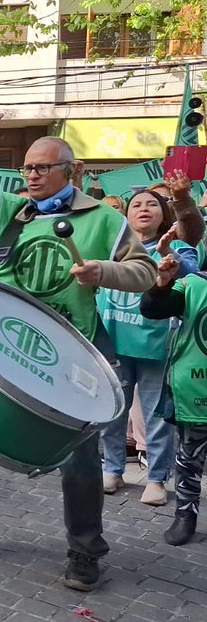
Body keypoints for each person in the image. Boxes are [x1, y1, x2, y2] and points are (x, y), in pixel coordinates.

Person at [0, 111, 157, 591]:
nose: (31, 175)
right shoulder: (9, 209)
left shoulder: (104, 219)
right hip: (5, 343)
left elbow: (145, 272)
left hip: (69, 351)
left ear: (71, 170)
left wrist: (102, 273)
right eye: (27, 167)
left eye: (41, 168)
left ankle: (86, 549)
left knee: (80, 454)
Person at [99, 191, 196, 505]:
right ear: (125, 215)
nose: (144, 209)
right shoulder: (110, 247)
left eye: (152, 204)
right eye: (136, 205)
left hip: (157, 346)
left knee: (157, 419)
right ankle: (112, 468)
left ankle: (156, 478)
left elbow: (192, 275)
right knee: (112, 412)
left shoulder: (178, 246)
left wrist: (169, 254)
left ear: (164, 214)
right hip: (113, 343)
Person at [140, 256, 207, 545]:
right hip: (196, 390)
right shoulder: (194, 284)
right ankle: (185, 514)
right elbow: (153, 309)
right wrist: (162, 284)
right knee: (189, 458)